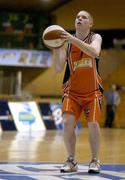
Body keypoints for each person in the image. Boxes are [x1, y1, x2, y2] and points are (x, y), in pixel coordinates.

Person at [52, 10, 103, 173]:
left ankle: (95, 160)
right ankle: (71, 160)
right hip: (72, 92)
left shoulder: (96, 37)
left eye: (84, 17)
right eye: (77, 17)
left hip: (93, 91)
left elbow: (94, 52)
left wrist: (72, 39)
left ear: (91, 23)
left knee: (93, 124)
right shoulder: (66, 43)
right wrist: (55, 47)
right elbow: (59, 68)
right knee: (66, 123)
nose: (79, 19)